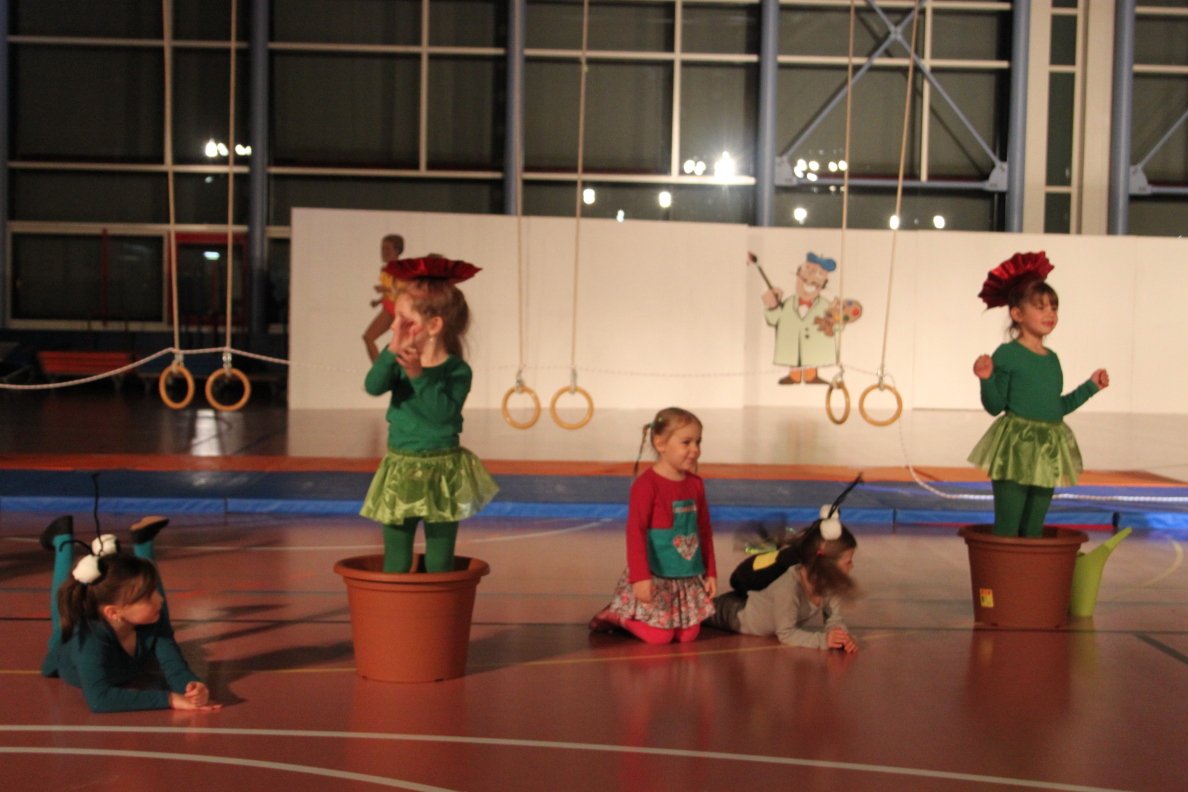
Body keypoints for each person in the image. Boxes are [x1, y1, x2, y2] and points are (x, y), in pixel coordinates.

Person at [360, 255, 498, 573]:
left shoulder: (457, 371)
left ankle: (437, 603)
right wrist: (390, 352)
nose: (393, 325)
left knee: (439, 558)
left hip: (443, 471)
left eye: (403, 320)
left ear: (434, 325)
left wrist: (419, 377)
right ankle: (396, 602)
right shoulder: (397, 359)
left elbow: (442, 414)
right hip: (401, 468)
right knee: (396, 556)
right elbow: (373, 386)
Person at [969, 252, 1109, 538]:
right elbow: (995, 406)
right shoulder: (1007, 354)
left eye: (1054, 308)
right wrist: (986, 379)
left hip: (1048, 449)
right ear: (1017, 314)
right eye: (1041, 307)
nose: (1050, 314)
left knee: (1034, 528)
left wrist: (1090, 387)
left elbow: (1056, 407)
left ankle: (1029, 567)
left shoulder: (1051, 358)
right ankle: (1004, 566)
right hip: (1016, 449)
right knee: (1008, 525)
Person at [39, 515, 220, 713]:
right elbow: (100, 699)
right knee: (63, 627)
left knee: (146, 607)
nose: (160, 599)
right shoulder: (88, 641)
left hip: (118, 650)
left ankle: (140, 543)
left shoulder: (153, 623)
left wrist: (192, 687)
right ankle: (62, 540)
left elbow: (175, 668)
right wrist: (169, 699)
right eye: (147, 597)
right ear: (114, 612)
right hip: (68, 648)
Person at [588, 408, 718, 644]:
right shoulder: (646, 485)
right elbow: (635, 532)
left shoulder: (696, 484)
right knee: (660, 637)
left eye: (698, 442)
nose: (695, 449)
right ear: (660, 444)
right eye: (686, 442)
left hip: (684, 574)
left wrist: (710, 572)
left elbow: (704, 530)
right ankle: (617, 616)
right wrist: (640, 577)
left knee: (688, 635)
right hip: (655, 576)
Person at [705, 486, 860, 652]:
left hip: (750, 604)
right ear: (828, 564)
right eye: (848, 562)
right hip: (737, 615)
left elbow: (834, 619)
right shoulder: (789, 588)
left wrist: (843, 636)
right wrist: (823, 640)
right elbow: (786, 634)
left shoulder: (829, 587)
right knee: (698, 613)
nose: (852, 566)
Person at [761, 252, 838, 385]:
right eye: (804, 281)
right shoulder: (787, 304)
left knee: (812, 355)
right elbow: (773, 320)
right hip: (792, 345)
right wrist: (772, 306)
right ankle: (794, 376)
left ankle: (811, 376)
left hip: (815, 347)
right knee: (794, 355)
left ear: (822, 286)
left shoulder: (826, 306)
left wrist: (836, 315)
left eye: (814, 284)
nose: (808, 285)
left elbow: (837, 326)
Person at [363, 234, 406, 362]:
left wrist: (385, 290)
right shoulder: (386, 270)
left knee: (401, 345)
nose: (384, 252)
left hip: (397, 309)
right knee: (368, 337)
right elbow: (391, 291)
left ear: (397, 250)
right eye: (383, 249)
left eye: (388, 249)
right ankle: (379, 368)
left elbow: (403, 290)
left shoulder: (402, 269)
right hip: (389, 306)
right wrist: (378, 301)